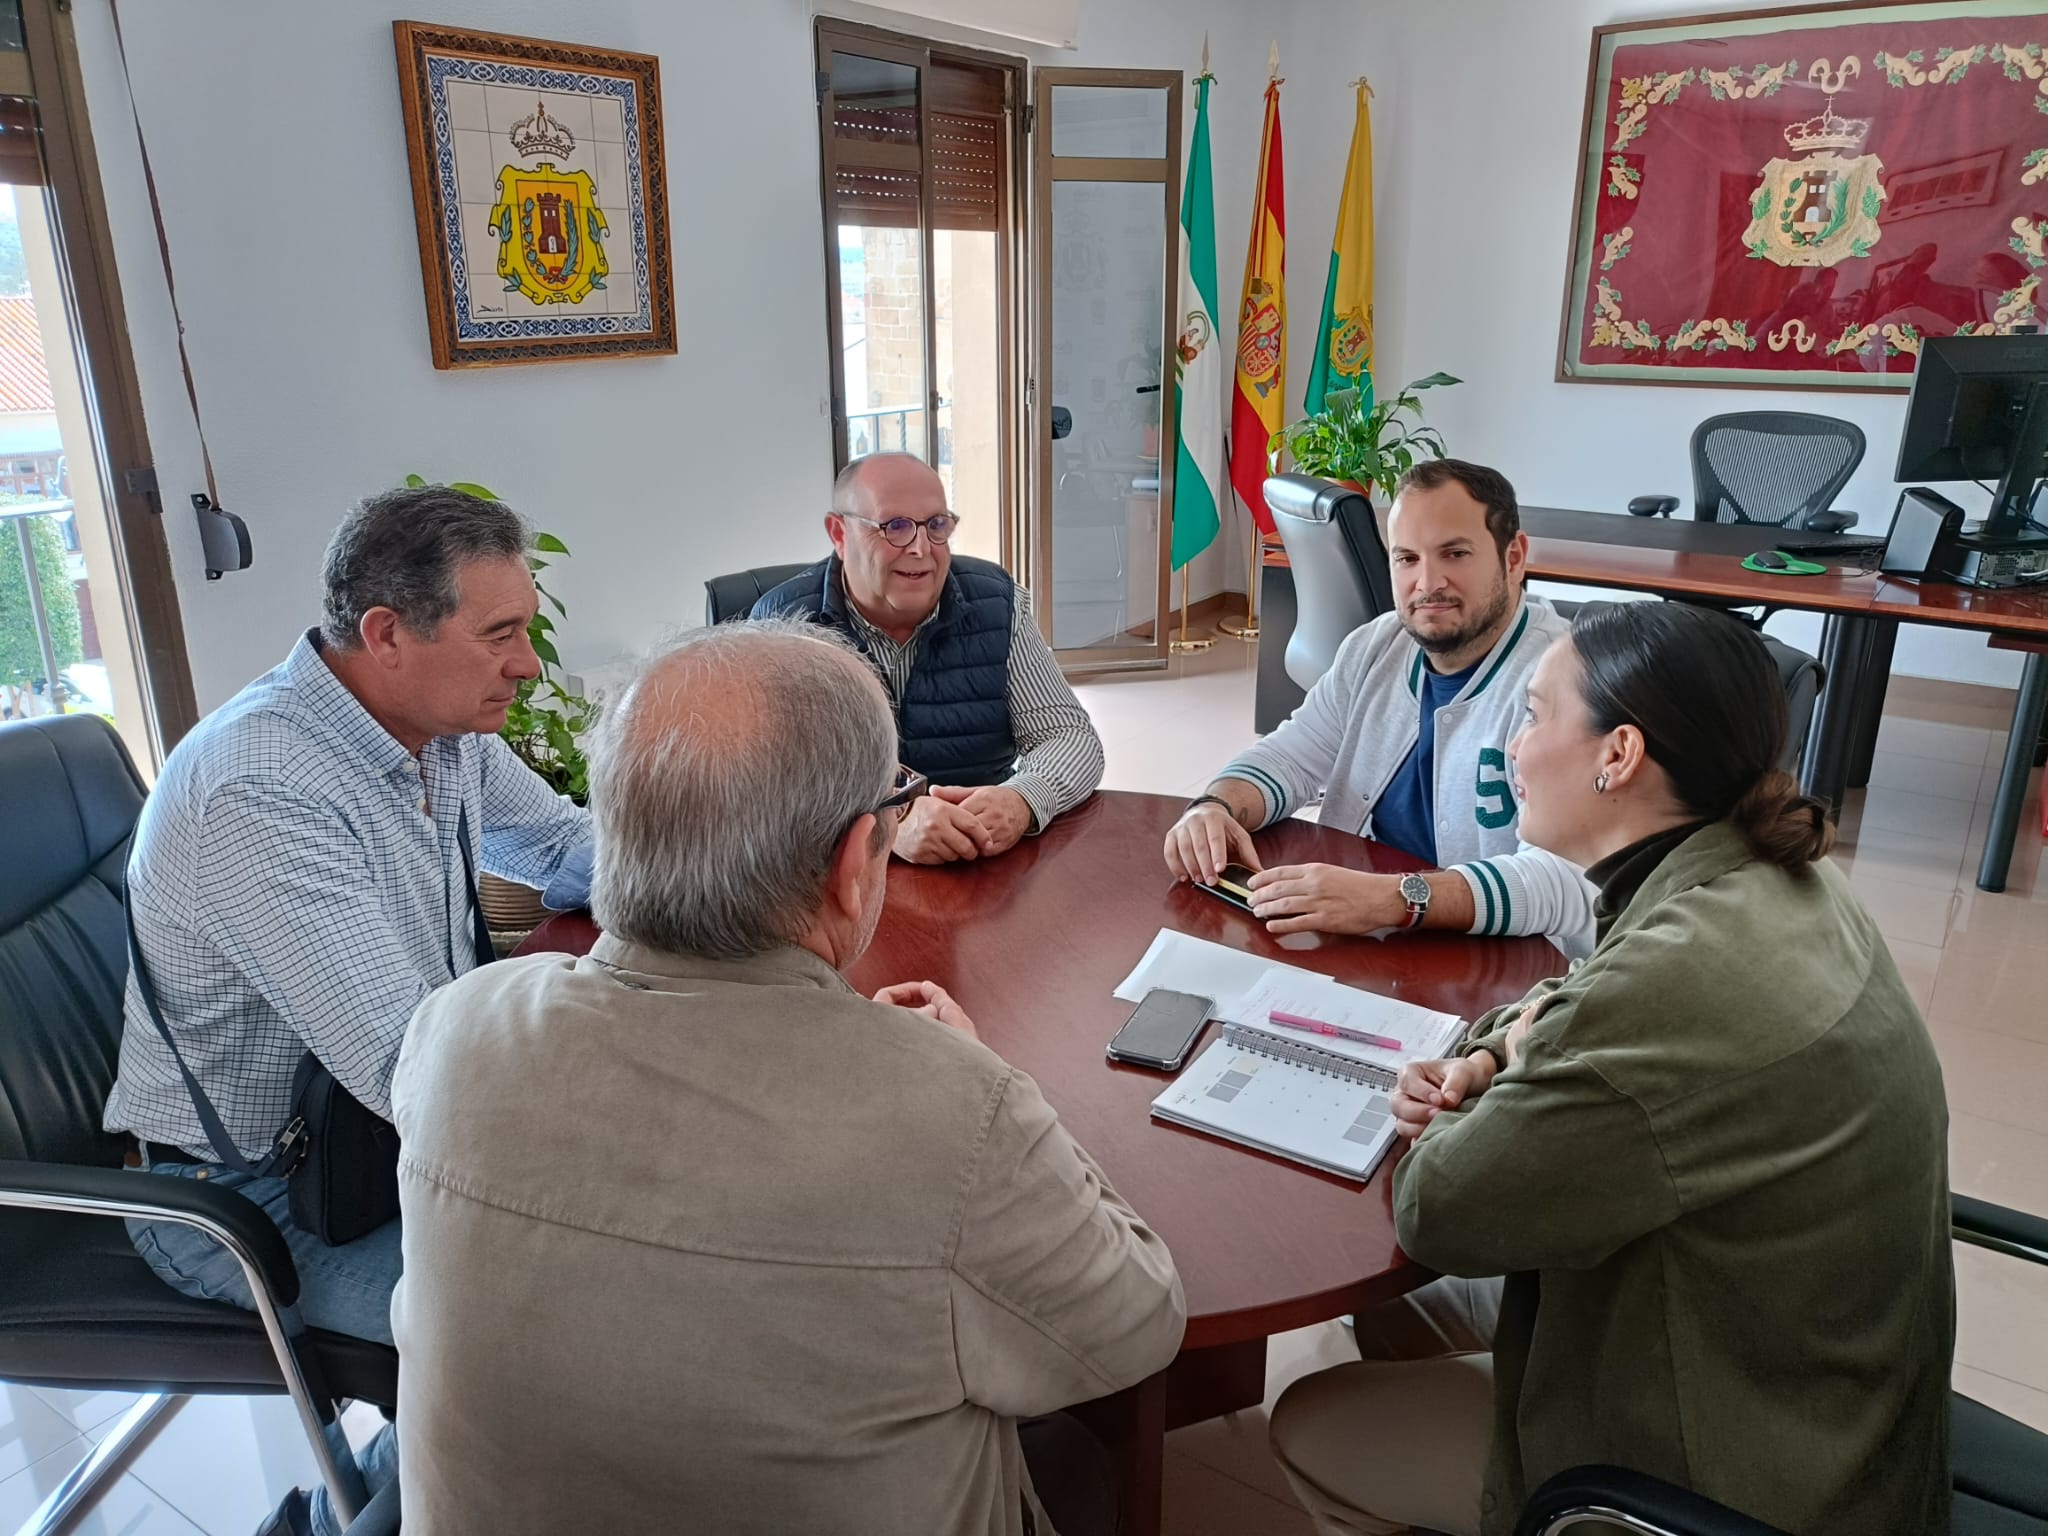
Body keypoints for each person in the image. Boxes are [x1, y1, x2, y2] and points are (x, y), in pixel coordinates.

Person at [389, 619, 1185, 1535]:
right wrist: (969, 1080)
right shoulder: (954, 1113)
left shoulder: (453, 1029)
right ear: (856, 863)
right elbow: (1137, 1325)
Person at [1268, 602, 1953, 1536]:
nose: (1513, 745)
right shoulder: (1770, 874)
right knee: (1416, 1307)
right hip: (1827, 1378)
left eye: (1535, 714)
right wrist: (1493, 1053)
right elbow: (1564, 1006)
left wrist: (1476, 1093)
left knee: (1314, 1425)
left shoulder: (1683, 973)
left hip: (1758, 1464)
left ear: (1619, 755)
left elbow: (1438, 1204)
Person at [104, 486, 594, 1536]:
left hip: (369, 1150)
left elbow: (559, 850)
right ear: (386, 635)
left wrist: (750, 869)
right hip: (244, 1200)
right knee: (563, 1342)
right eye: (501, 634)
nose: (528, 665)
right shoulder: (261, 789)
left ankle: (379, 1481)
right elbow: (413, 1074)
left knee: (618, 1264)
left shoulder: (438, 724)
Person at [1163, 459, 1599, 959]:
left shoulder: (1564, 681)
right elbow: (1291, 754)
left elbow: (1565, 879)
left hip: (1499, 964)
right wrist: (1214, 807)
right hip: (1368, 935)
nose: (1427, 583)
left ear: (1514, 557)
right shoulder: (1377, 644)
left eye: (1454, 553)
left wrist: (1398, 899)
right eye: (1406, 558)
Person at [752, 453, 1105, 864]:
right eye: (895, 527)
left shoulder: (996, 603)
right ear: (839, 533)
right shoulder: (783, 627)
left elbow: (1071, 738)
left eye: (936, 525)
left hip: (983, 865)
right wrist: (890, 824)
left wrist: (1021, 799)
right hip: (839, 877)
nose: (921, 548)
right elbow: (768, 789)